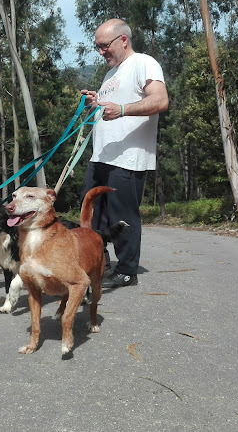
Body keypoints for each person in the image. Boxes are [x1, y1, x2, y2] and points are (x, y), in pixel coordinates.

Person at [80, 18, 169, 288]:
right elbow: (111, 107)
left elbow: (160, 100)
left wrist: (121, 110)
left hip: (128, 159)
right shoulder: (110, 74)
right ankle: (98, 262)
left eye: (104, 46)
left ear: (123, 40)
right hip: (101, 157)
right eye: (97, 47)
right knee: (90, 213)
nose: (101, 52)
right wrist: (97, 103)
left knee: (123, 215)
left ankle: (127, 270)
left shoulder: (144, 62)